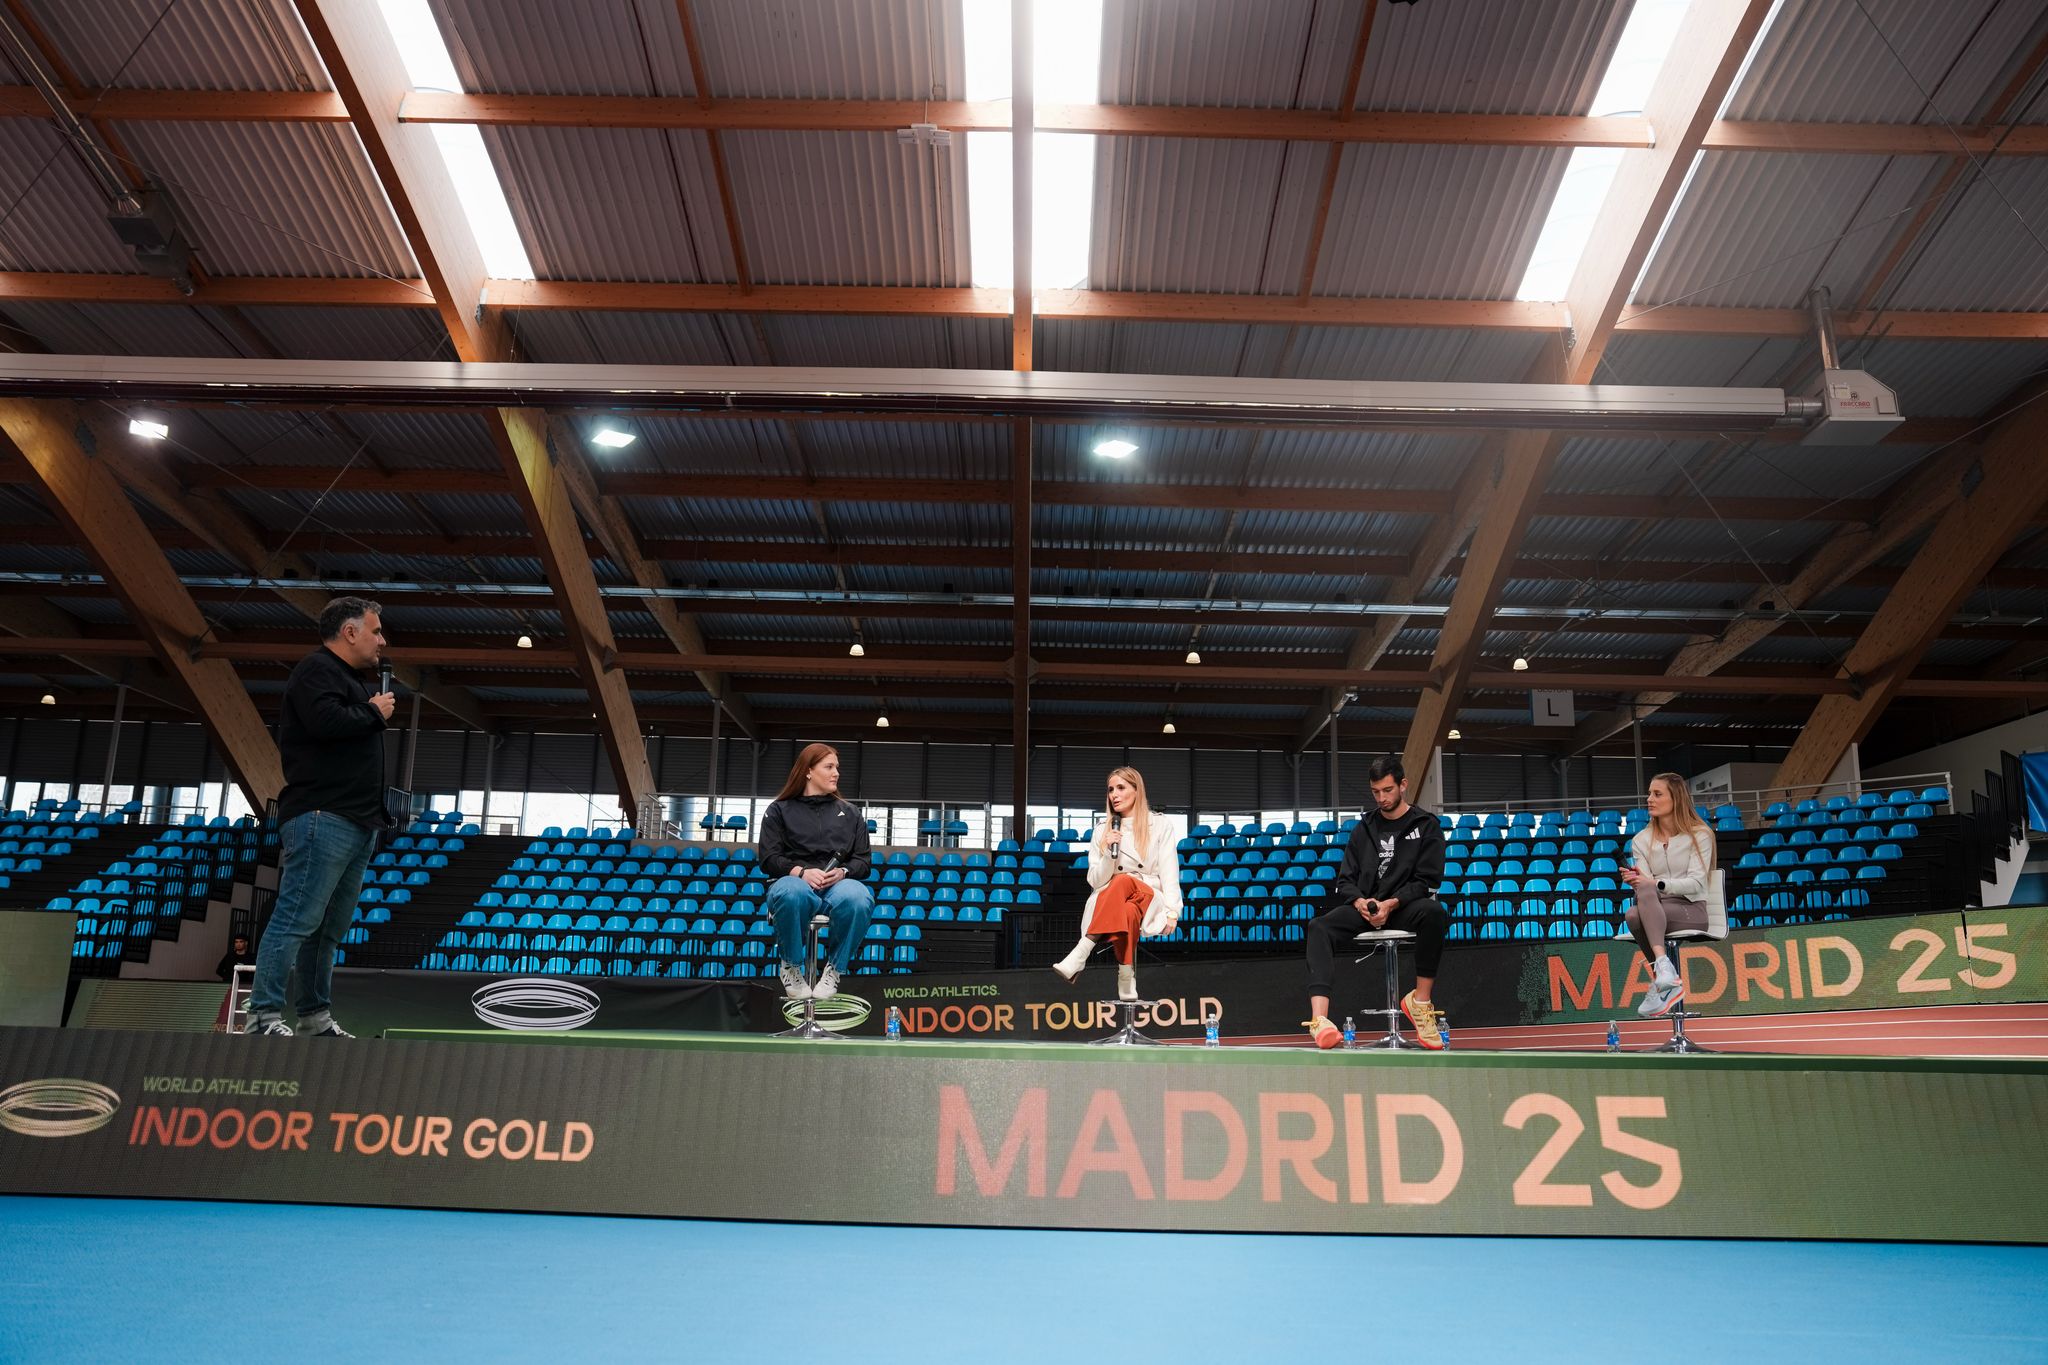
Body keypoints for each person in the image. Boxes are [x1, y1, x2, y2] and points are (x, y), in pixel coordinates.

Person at [244, 597, 394, 1039]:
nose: (382, 640)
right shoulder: (317, 670)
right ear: (350, 632)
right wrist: (372, 712)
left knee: (327, 930)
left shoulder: (342, 677)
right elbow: (324, 721)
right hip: (322, 815)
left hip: (355, 819)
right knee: (297, 920)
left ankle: (313, 1017)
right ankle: (264, 1017)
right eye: (376, 631)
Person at [1303, 756, 1448, 1050]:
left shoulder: (1426, 825)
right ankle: (1320, 1021)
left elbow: (1428, 881)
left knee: (1435, 913)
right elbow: (1345, 880)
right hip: (1366, 908)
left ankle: (1420, 1002)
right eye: (1375, 792)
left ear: (1403, 785)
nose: (1381, 798)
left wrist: (1391, 904)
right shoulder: (1363, 828)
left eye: (1388, 790)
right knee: (1318, 926)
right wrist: (1360, 903)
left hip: (1404, 907)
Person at [1053, 767, 1184, 1003]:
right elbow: (1094, 880)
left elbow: (1169, 869)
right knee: (1127, 910)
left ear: (1137, 790)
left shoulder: (1160, 824)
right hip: (1114, 899)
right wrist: (1109, 855)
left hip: (1148, 892)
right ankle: (1126, 974)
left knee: (1124, 880)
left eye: (1121, 788)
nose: (1114, 794)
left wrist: (1173, 910)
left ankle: (1081, 952)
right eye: (1111, 789)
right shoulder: (1102, 830)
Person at [758, 743, 874, 1001]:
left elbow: (864, 862)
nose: (836, 773)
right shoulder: (778, 810)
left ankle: (834, 969)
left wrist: (843, 872)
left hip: (836, 887)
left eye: (837, 768)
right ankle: (790, 965)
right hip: (794, 882)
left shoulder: (852, 813)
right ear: (808, 771)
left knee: (859, 896)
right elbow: (768, 858)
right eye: (829, 767)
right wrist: (800, 872)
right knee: (790, 890)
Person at [1623, 772, 1717, 1019]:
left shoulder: (1701, 834)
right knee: (1632, 914)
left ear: (1675, 798)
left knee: (1636, 913)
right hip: (1656, 908)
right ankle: (1665, 971)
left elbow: (1696, 884)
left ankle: (1662, 978)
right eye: (1649, 794)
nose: (1649, 799)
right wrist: (1637, 881)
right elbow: (1644, 889)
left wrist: (1655, 883)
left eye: (1657, 794)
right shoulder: (1640, 840)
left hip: (1691, 910)